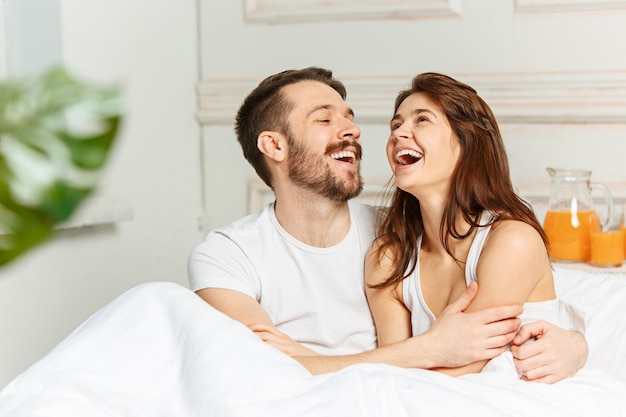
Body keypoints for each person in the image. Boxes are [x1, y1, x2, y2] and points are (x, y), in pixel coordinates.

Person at [187, 67, 587, 380]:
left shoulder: (392, 233)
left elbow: (540, 294)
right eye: (324, 120)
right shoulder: (227, 255)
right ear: (275, 145)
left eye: (350, 117)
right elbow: (260, 363)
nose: (355, 130)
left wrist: (576, 344)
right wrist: (432, 347)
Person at [365, 72, 580, 383]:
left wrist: (577, 343)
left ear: (467, 143)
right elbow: (392, 376)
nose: (400, 133)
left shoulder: (511, 241)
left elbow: (459, 372)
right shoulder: (388, 260)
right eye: (395, 125)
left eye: (421, 120)